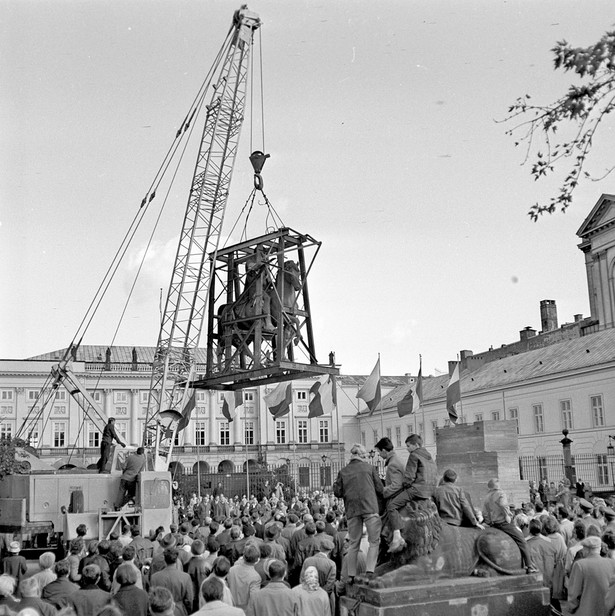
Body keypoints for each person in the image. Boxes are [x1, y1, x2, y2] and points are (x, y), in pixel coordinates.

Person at [333, 443, 384, 582]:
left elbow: (337, 492)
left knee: (354, 543)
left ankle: (350, 575)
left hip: (352, 509)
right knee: (374, 541)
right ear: (362, 455)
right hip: (370, 508)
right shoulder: (370, 468)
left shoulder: (343, 471)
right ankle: (369, 572)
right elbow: (380, 489)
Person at [387, 434, 438, 553]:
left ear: (416, 445)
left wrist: (403, 486)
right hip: (429, 491)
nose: (407, 449)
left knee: (391, 506)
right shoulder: (429, 456)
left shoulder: (414, 455)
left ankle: (397, 536)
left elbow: (409, 477)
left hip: (417, 490)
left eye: (408, 446)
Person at [483, 478, 537, 573]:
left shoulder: (487, 497)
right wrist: (507, 515)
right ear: (497, 485)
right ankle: (529, 565)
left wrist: (489, 521)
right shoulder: (500, 493)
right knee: (521, 540)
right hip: (503, 523)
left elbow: (485, 512)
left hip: (493, 524)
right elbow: (503, 504)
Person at [567, 535, 615, 615]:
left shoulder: (579, 565)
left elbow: (574, 593)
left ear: (586, 550)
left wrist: (571, 608)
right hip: (607, 611)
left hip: (586, 610)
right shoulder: (612, 563)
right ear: (599, 549)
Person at [149, 547, 193, 616]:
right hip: (180, 611)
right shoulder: (185, 577)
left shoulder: (154, 577)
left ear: (164, 559)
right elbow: (189, 599)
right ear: (176, 559)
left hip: (160, 612)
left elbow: (151, 599)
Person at [374, 437, 404, 501]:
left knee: (390, 509)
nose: (379, 454)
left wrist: (383, 492)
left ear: (384, 451)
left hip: (396, 497)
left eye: (379, 451)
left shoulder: (392, 464)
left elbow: (396, 485)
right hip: (400, 495)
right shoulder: (397, 459)